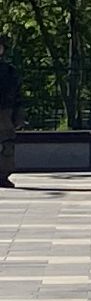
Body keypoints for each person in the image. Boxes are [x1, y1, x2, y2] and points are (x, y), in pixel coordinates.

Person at [0, 34, 22, 189]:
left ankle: (2, 176)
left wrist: (19, 114)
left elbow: (17, 94)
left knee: (7, 145)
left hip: (5, 111)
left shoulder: (9, 71)